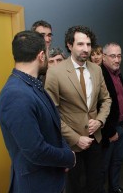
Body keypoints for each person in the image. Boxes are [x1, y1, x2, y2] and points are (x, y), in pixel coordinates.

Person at [0, 30, 75, 193]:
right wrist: (69, 158)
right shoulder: (16, 95)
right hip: (37, 185)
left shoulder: (33, 85)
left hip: (53, 177)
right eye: (47, 54)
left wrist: (63, 155)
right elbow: (36, 151)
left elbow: (53, 128)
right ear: (41, 56)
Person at [45, 25, 112, 193]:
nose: (86, 49)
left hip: (95, 139)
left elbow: (106, 99)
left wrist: (100, 120)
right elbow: (51, 114)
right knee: (73, 186)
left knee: (95, 183)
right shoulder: (55, 73)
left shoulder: (96, 69)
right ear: (69, 45)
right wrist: (75, 138)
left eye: (88, 45)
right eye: (80, 44)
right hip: (71, 144)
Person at [100, 42, 123, 193]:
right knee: (103, 166)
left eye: (119, 56)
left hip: (121, 126)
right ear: (104, 57)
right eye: (113, 56)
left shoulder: (117, 73)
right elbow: (97, 107)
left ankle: (114, 188)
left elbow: (122, 98)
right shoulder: (99, 74)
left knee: (117, 161)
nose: (117, 59)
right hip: (109, 131)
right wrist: (110, 131)